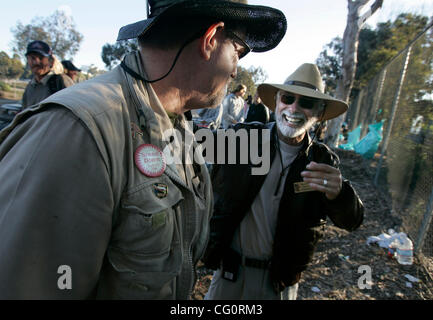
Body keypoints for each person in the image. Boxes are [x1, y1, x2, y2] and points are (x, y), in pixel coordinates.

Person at [0, 0, 287, 299]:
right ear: (211, 40)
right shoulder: (79, 132)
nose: (235, 72)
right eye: (237, 53)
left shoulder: (175, 123)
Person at [202, 63, 364, 300]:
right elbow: (186, 147)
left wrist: (339, 194)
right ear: (277, 102)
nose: (294, 108)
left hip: (279, 283)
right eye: (288, 98)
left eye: (306, 103)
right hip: (229, 276)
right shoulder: (243, 140)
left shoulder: (322, 160)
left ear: (319, 114)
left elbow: (353, 220)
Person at [22, 40, 74, 109]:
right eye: (32, 58)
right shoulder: (30, 87)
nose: (36, 62)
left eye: (41, 57)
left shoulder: (61, 81)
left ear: (51, 61)